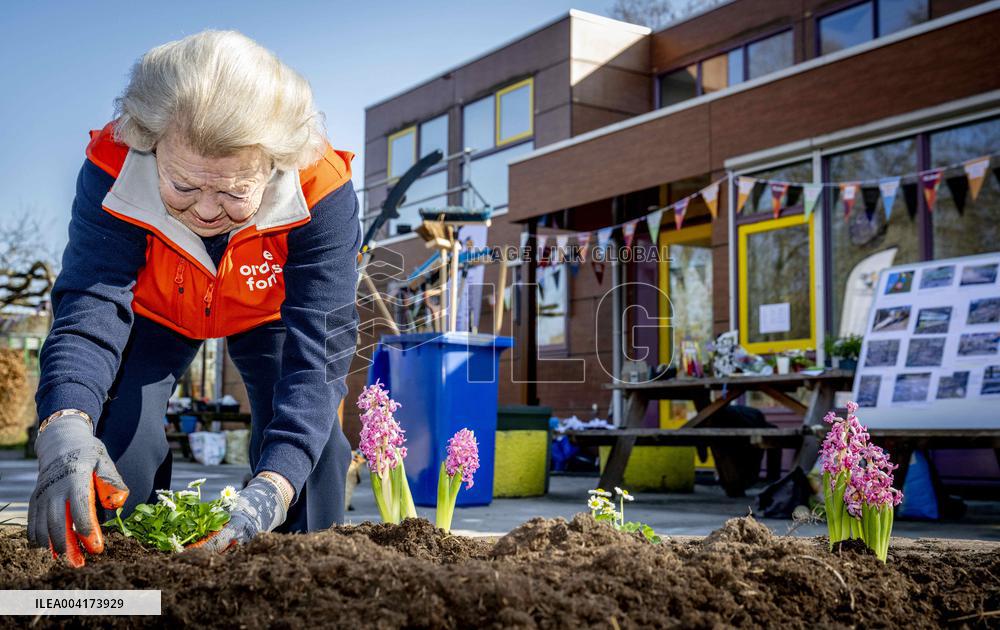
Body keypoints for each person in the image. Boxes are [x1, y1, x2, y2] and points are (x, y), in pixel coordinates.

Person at [27, 30, 360, 566]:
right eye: (182, 186)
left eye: (233, 192)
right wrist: (64, 421)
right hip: (152, 307)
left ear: (275, 162)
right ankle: (123, 587)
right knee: (115, 440)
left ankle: (304, 577)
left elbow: (319, 351)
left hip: (267, 309)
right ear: (151, 142)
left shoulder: (321, 188)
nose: (206, 212)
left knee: (315, 453)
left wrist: (272, 489)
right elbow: (90, 305)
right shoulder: (113, 166)